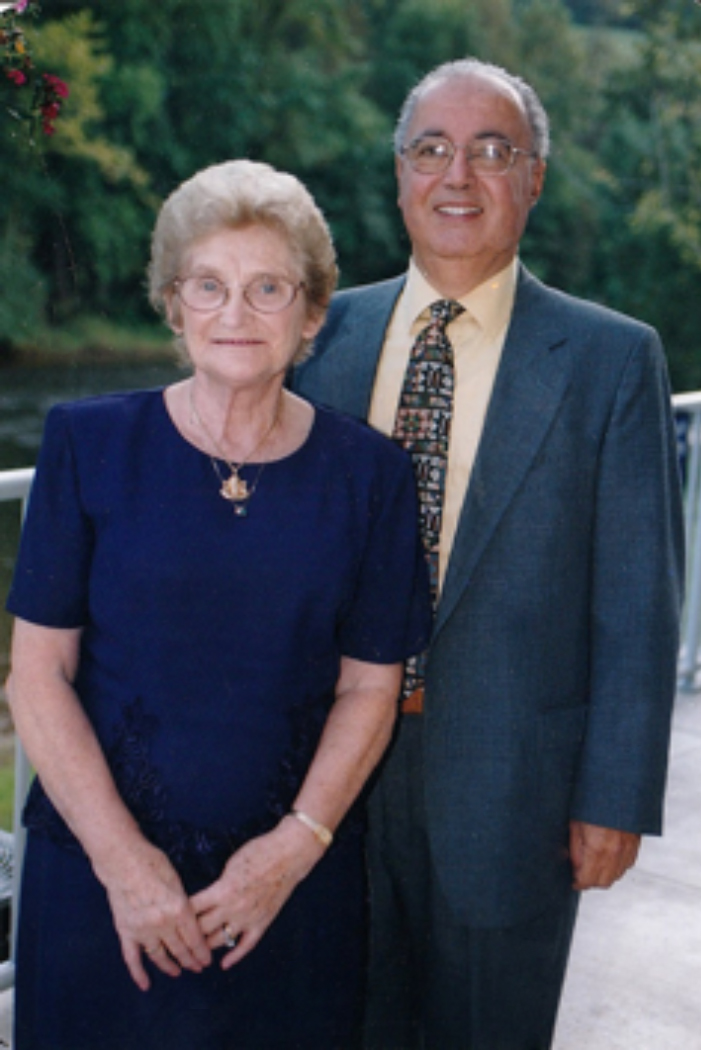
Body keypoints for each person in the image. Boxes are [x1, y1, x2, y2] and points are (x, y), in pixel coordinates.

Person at [293, 58, 685, 1049]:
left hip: (513, 787)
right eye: (431, 148)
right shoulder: (316, 337)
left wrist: (613, 794)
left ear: (534, 176)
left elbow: (636, 602)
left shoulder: (608, 359)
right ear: (397, 175)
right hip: (320, 779)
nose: (456, 176)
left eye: (491, 151)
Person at [4, 159, 431, 1050]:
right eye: (208, 285)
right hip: (97, 883)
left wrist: (294, 849)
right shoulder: (87, 445)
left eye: (267, 287)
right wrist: (126, 868)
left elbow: (369, 688)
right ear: (173, 304)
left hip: (288, 892)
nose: (234, 314)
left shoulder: (373, 477)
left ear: (312, 313)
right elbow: (37, 676)